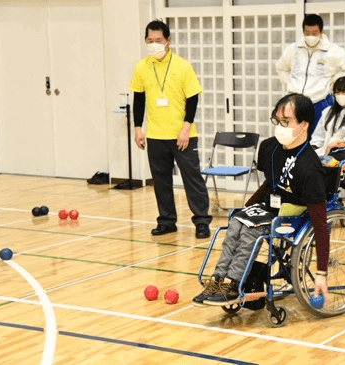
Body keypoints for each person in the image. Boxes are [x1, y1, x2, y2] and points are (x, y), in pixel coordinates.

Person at [193, 93, 330, 307]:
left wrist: (321, 272)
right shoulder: (270, 147)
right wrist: (247, 207)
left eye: (287, 122)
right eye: (278, 121)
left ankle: (234, 283)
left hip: (290, 213)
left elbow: (321, 225)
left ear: (304, 125)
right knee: (236, 222)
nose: (281, 127)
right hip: (269, 205)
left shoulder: (310, 168)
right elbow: (269, 182)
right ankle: (218, 280)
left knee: (250, 231)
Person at [129, 20, 211, 239]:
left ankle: (202, 221)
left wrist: (185, 128)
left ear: (168, 41)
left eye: (158, 40)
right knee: (161, 181)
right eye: (150, 41)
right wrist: (138, 128)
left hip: (182, 135)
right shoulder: (141, 66)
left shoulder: (182, 66)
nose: (154, 44)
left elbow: (192, 100)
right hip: (155, 135)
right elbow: (138, 100)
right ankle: (166, 220)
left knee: (192, 179)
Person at [275, 14, 345, 137]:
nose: (310, 36)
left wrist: (336, 79)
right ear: (303, 31)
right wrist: (289, 83)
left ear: (321, 32)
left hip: (319, 102)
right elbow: (280, 67)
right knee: (292, 139)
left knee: (318, 142)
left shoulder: (332, 50)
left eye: (314, 33)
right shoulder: (293, 49)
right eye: (307, 32)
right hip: (294, 103)